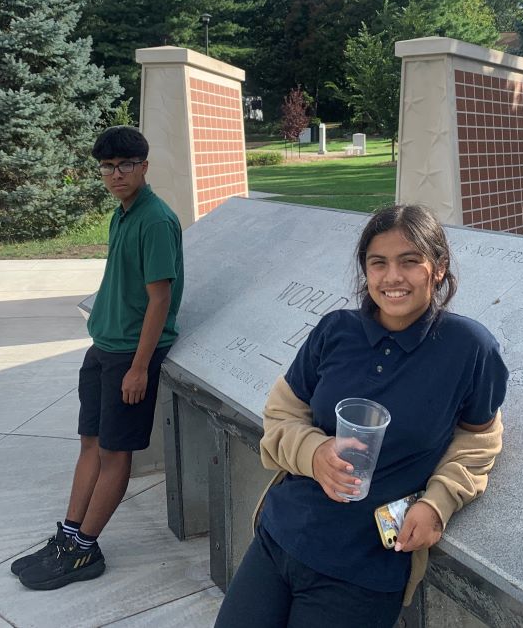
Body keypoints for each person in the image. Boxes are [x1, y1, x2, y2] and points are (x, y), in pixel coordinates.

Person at [214, 204, 508, 628]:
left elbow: (479, 441)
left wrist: (438, 503)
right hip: (282, 534)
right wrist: (314, 452)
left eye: (410, 262)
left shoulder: (469, 349)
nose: (392, 277)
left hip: (365, 569)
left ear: (438, 268)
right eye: (379, 263)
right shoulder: (336, 331)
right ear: (365, 270)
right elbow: (281, 414)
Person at [12, 125, 184, 591]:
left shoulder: (154, 220)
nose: (116, 174)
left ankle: (85, 549)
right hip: (103, 347)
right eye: (107, 167)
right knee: (90, 443)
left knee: (114, 452)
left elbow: (160, 300)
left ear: (144, 167)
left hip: (130, 355)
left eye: (126, 165)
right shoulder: (122, 214)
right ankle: (70, 535)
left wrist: (138, 367)